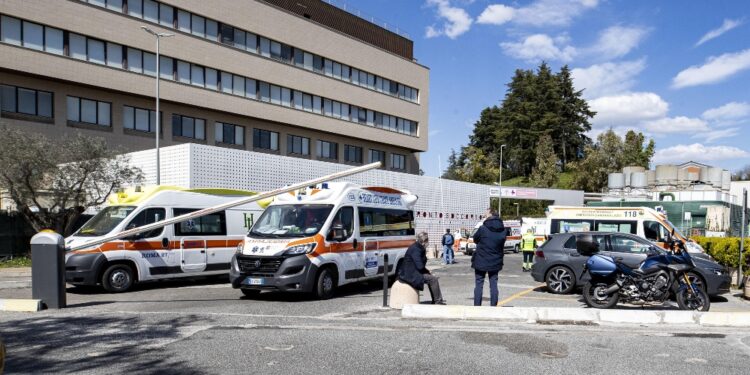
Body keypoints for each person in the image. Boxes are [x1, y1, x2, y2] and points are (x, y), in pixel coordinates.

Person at [398, 232, 446, 305]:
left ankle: (435, 300)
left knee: (431, 278)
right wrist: (427, 271)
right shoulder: (416, 249)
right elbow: (420, 266)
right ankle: (438, 302)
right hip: (410, 274)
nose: (428, 243)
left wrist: (427, 271)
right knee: (433, 279)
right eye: (427, 241)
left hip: (412, 272)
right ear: (424, 241)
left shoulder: (417, 247)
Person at [471, 208, 507, 306]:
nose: (484, 216)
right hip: (496, 260)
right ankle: (493, 306)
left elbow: (475, 239)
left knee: (479, 284)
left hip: (481, 260)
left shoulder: (483, 228)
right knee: (493, 284)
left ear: (490, 214)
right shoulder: (503, 230)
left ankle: (477, 306)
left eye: (486, 214)